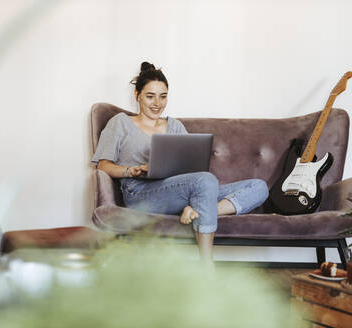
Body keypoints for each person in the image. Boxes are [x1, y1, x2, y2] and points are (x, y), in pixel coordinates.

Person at [91, 62, 269, 265]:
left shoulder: (175, 125)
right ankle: (207, 266)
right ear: (137, 95)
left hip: (181, 191)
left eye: (163, 96)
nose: (157, 103)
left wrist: (197, 195)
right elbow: (102, 165)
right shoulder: (120, 122)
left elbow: (192, 168)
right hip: (140, 193)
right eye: (150, 96)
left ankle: (197, 210)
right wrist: (132, 171)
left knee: (258, 186)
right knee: (206, 181)